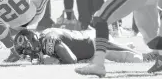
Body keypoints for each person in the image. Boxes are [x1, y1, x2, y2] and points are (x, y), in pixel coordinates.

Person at [13, 28, 157, 64]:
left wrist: (52, 61)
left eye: (26, 48)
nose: (28, 53)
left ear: (33, 39)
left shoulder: (48, 41)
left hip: (96, 44)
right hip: (89, 43)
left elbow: (72, 60)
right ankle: (126, 45)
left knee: (137, 59)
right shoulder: (44, 37)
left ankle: (152, 55)